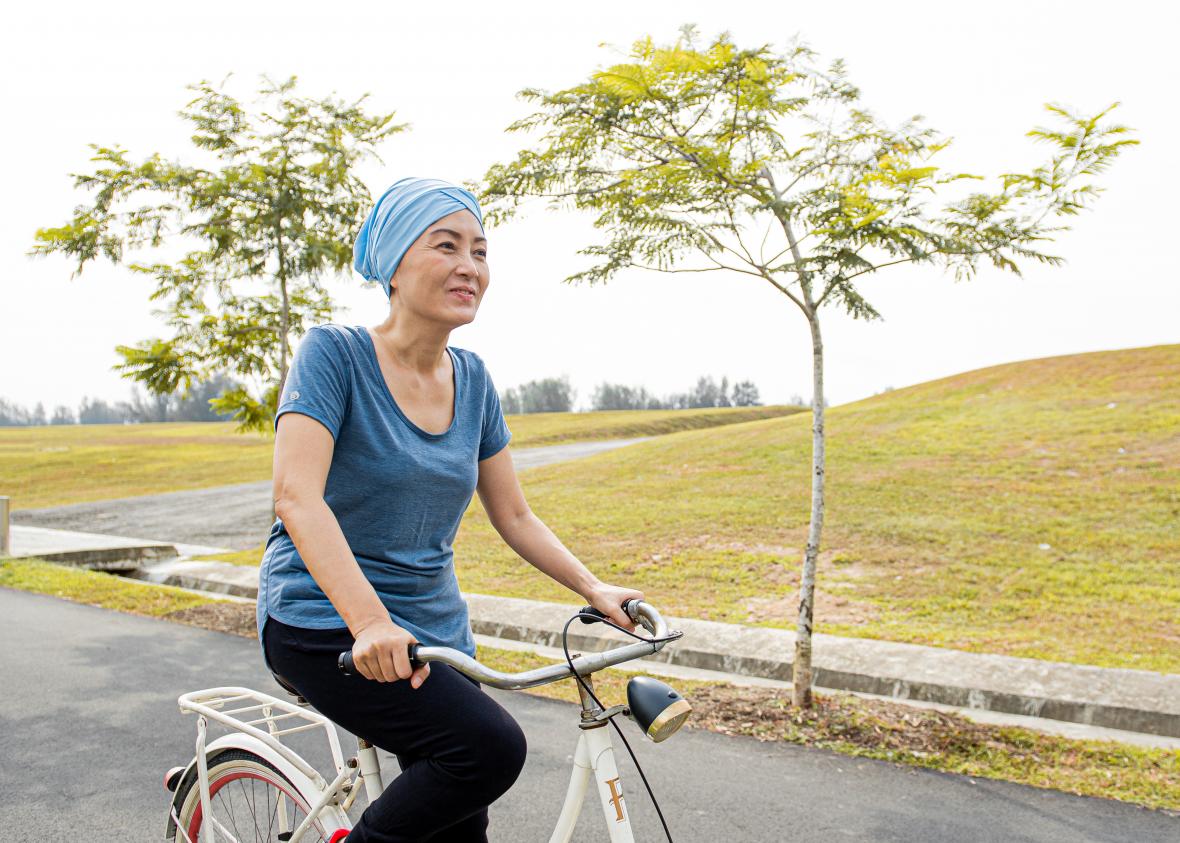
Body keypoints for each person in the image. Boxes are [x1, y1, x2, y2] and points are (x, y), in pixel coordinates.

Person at [256, 176, 645, 843]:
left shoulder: (474, 380)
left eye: (481, 250)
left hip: (431, 634)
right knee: (488, 748)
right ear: (395, 267)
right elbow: (296, 495)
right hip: (327, 624)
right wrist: (370, 622)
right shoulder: (334, 355)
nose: (470, 266)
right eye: (447, 245)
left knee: (458, 828)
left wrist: (593, 586)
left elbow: (515, 515)